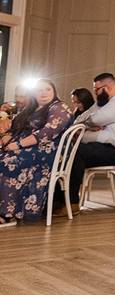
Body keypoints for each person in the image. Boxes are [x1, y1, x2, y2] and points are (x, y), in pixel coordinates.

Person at [0, 80, 72, 227]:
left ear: (54, 92)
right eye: (39, 90)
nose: (43, 93)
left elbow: (47, 133)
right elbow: (15, 129)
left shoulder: (59, 107)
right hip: (27, 149)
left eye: (47, 89)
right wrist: (6, 137)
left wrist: (17, 144)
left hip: (47, 151)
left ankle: (8, 213)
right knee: (5, 157)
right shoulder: (31, 108)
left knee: (8, 161)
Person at [69, 73, 115, 205]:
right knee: (68, 150)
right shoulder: (103, 102)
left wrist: (89, 124)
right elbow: (79, 119)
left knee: (75, 152)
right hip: (98, 146)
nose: (95, 93)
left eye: (96, 89)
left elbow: (96, 119)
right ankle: (62, 200)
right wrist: (89, 125)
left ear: (107, 87)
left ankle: (70, 202)